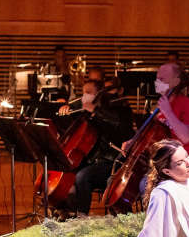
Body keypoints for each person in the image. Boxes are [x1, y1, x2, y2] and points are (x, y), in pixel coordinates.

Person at [56, 79, 134, 216]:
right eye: (84, 92)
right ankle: (67, 212)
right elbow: (73, 130)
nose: (85, 96)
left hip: (112, 161)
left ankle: (82, 216)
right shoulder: (90, 110)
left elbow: (119, 125)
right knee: (65, 174)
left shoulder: (121, 110)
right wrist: (65, 111)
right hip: (92, 160)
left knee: (82, 176)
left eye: (89, 92)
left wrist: (96, 111)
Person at [122, 62, 189, 170]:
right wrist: (133, 141)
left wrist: (168, 112)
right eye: (157, 79)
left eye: (162, 79)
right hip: (163, 162)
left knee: (144, 183)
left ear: (176, 82)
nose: (157, 82)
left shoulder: (188, 104)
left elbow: (186, 137)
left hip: (184, 162)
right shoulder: (160, 107)